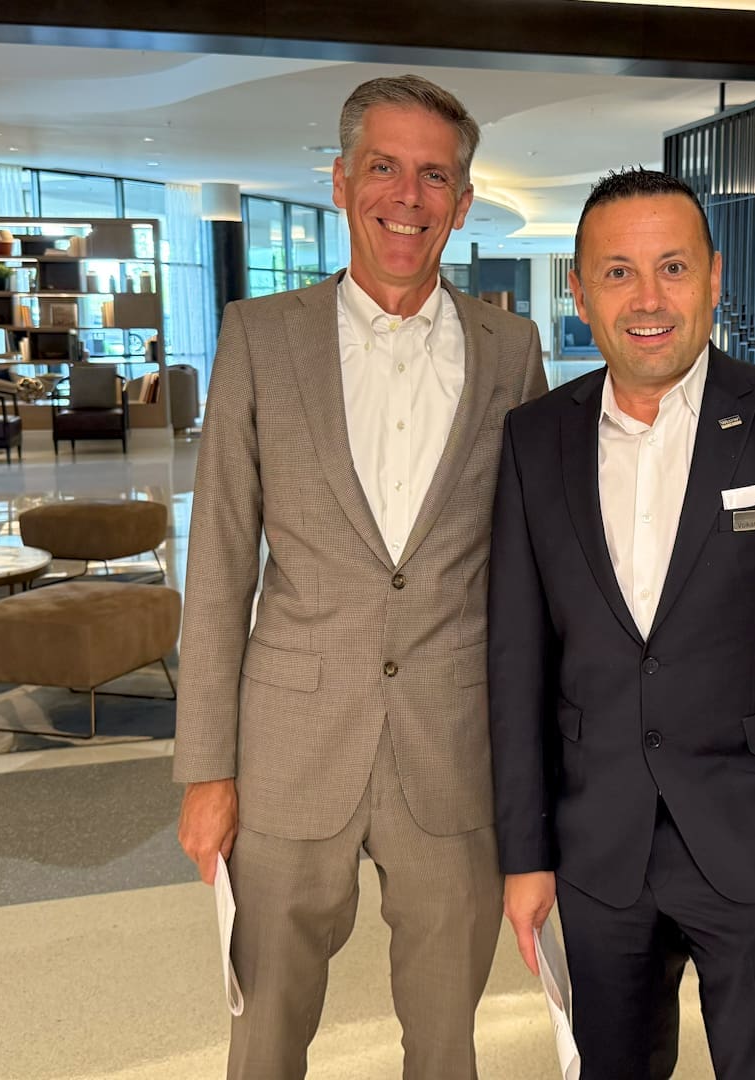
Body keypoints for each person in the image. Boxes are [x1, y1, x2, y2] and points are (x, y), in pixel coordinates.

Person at [487, 168, 755, 1079]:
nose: (648, 299)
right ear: (579, 291)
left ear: (715, 277)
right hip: (599, 849)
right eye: (617, 272)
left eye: (673, 267)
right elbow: (517, 663)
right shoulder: (536, 441)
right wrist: (525, 854)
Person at [174, 74, 548, 1080]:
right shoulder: (260, 337)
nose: (408, 196)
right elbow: (216, 563)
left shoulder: (511, 351)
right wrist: (206, 768)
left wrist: (542, 777)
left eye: (435, 175)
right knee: (267, 1034)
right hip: (291, 749)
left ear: (463, 203)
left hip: (453, 748)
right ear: (342, 181)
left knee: (443, 1038)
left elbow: (528, 574)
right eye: (384, 166)